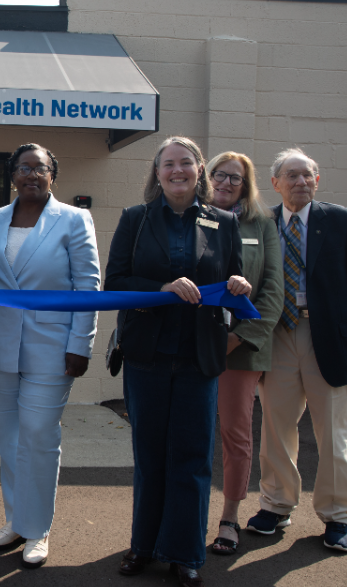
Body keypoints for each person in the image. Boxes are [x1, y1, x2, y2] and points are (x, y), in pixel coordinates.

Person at [105, 136, 251, 587]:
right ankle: (143, 546)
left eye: (185, 162)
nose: (177, 171)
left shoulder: (224, 222)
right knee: (150, 456)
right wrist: (162, 289)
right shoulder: (135, 218)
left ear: (199, 169)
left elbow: (233, 278)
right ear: (157, 171)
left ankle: (184, 553)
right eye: (168, 163)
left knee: (191, 458)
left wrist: (239, 284)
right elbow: (115, 283)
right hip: (147, 355)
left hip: (198, 357)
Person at [0, 143, 101, 569]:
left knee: (39, 435)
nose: (31, 175)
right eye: (23, 168)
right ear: (12, 176)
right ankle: (15, 521)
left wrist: (81, 344)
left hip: (53, 348)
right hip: (0, 344)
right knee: (9, 438)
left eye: (40, 168)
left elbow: (88, 286)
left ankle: (38, 529)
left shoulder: (74, 219)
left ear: (52, 174)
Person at [246, 148, 347, 553]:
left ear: (316, 181)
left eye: (308, 175)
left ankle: (338, 516)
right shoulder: (261, 222)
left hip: (330, 340)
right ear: (275, 183)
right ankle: (276, 504)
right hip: (278, 335)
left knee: (333, 433)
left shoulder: (341, 220)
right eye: (292, 175)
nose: (301, 181)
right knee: (276, 428)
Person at [204, 152, 284, 555]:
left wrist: (236, 339)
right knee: (188, 432)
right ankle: (184, 515)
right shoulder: (191, 217)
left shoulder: (261, 224)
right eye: (219, 174)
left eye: (235, 178)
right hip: (193, 345)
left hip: (239, 350)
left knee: (236, 436)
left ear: (246, 184)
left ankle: (229, 518)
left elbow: (273, 291)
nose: (226, 182)